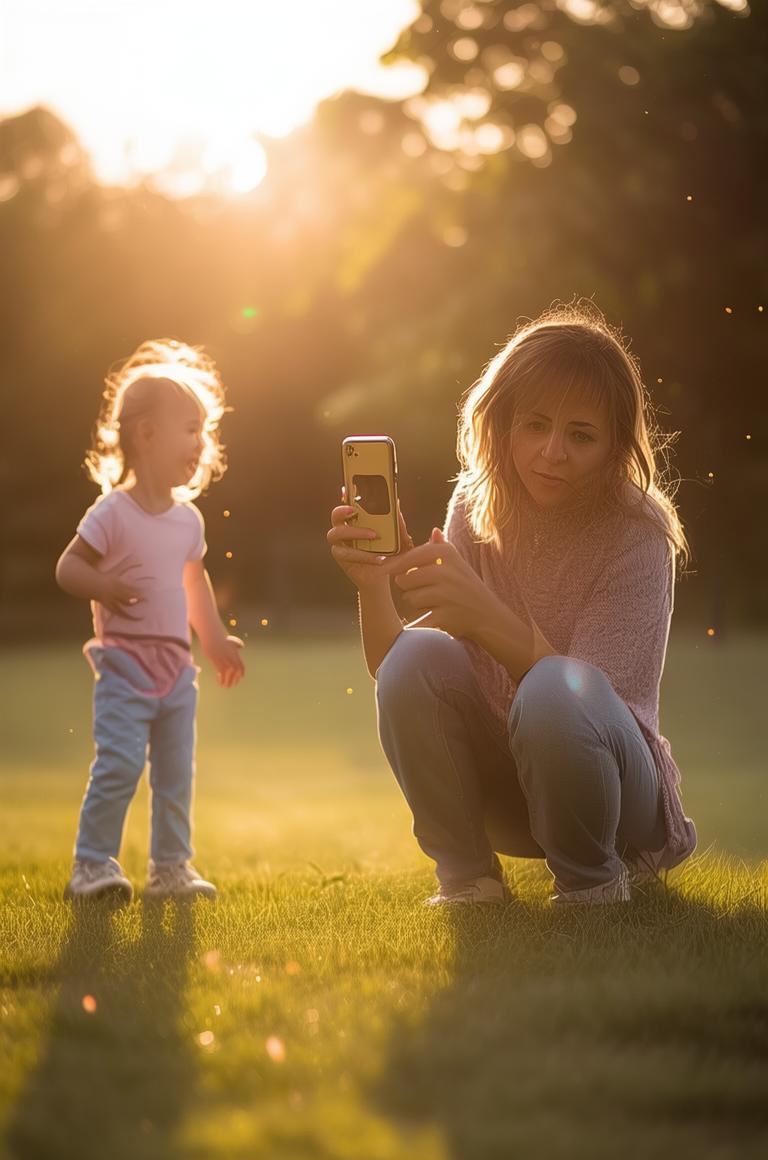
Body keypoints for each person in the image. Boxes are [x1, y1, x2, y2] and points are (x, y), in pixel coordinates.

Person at [326, 300, 697, 906]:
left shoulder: (637, 531)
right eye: (535, 425)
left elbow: (585, 703)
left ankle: (592, 887)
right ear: (504, 422)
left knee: (554, 686)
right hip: (513, 791)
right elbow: (399, 679)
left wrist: (486, 616)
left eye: (581, 435)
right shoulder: (477, 506)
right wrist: (371, 583)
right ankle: (468, 879)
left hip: (615, 799)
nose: (552, 452)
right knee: (414, 655)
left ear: (615, 446)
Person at [55, 338, 245, 901]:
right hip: (124, 666)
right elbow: (68, 568)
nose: (201, 442)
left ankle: (170, 868)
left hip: (176, 671)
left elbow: (194, 584)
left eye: (204, 430)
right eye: (190, 429)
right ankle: (92, 865)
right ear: (145, 435)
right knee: (118, 765)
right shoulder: (113, 512)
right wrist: (104, 586)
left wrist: (215, 640)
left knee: (175, 773)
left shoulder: (188, 522)